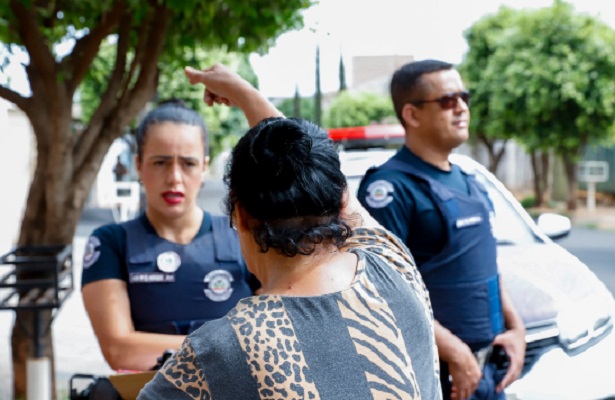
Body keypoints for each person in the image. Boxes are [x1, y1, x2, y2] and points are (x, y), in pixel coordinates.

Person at [138, 64, 442, 399]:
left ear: (240, 216)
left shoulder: (220, 352)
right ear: (341, 203)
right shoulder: (393, 265)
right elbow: (313, 164)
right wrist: (244, 93)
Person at [357, 59, 526, 400]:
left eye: (464, 97)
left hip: (488, 373)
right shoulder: (390, 189)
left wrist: (516, 328)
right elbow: (379, 290)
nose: (461, 107)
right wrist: (454, 351)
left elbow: (487, 266)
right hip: (435, 378)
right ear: (412, 114)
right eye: (448, 100)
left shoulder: (470, 182)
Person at [81, 100, 258, 371]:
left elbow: (278, 331)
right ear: (139, 165)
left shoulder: (242, 236)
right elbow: (119, 350)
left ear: (203, 168)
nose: (174, 177)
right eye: (160, 162)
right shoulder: (110, 242)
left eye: (188, 163)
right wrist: (234, 346)